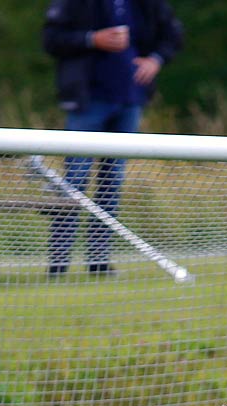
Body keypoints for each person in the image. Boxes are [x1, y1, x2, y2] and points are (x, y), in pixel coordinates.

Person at [42, 0, 184, 275]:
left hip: (130, 99)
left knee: (112, 183)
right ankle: (58, 263)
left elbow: (173, 33)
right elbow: (51, 39)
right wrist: (92, 39)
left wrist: (155, 59)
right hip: (88, 100)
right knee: (74, 181)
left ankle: (99, 261)